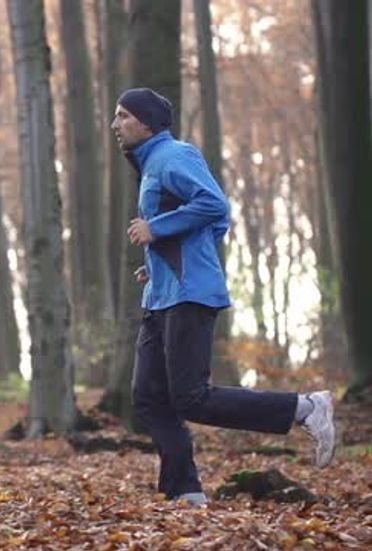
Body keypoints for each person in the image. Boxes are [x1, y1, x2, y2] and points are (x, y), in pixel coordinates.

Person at [110, 87, 335, 506]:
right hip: (162, 295)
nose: (115, 125)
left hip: (189, 296)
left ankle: (305, 408)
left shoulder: (174, 155)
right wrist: (160, 259)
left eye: (123, 116)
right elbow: (205, 223)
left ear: (146, 122)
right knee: (149, 397)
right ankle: (186, 492)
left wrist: (158, 231)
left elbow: (215, 206)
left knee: (191, 397)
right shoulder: (152, 164)